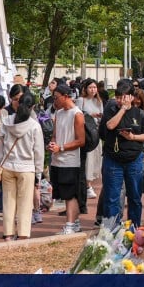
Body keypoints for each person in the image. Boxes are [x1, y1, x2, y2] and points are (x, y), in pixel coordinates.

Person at [100, 80, 144, 224]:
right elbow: (110, 126)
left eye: (122, 97)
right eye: (117, 97)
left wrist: (133, 137)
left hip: (134, 160)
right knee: (112, 197)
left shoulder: (140, 113)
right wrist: (122, 109)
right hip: (113, 159)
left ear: (130, 97)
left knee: (135, 197)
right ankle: (111, 229)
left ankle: (134, 228)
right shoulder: (111, 109)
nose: (119, 100)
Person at [0, 93, 44, 241]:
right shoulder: (34, 125)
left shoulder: (8, 121)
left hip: (8, 165)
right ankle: (23, 234)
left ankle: (8, 234)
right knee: (25, 203)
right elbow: (38, 152)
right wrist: (39, 173)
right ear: (32, 107)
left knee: (8, 201)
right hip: (27, 168)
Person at [48, 81, 87, 235]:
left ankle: (70, 224)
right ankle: (74, 223)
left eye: (56, 97)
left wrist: (61, 147)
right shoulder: (58, 113)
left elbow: (80, 141)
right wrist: (52, 144)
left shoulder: (77, 114)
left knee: (70, 194)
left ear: (65, 96)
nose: (54, 101)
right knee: (64, 194)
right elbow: (55, 134)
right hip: (57, 159)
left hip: (70, 160)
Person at [78, 79, 105, 197]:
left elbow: (102, 117)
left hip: (95, 133)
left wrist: (99, 118)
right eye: (90, 87)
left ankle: (89, 183)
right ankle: (87, 185)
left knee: (95, 159)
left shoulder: (98, 101)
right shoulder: (81, 100)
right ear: (85, 89)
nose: (93, 89)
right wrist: (90, 116)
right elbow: (78, 116)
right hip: (86, 134)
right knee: (88, 159)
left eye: (95, 87)